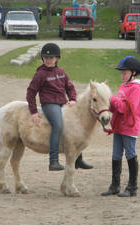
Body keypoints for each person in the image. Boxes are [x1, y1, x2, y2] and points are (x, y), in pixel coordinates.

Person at [26, 43, 93, 171]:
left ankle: (78, 159)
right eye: (46, 58)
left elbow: (70, 87)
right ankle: (53, 161)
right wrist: (33, 111)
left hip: (63, 103)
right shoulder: (40, 74)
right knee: (58, 125)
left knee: (74, 125)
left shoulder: (61, 72)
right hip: (50, 104)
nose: (48, 60)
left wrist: (73, 99)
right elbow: (30, 93)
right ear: (42, 58)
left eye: (51, 58)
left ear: (57, 58)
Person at [101, 56, 140, 197]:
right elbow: (117, 107)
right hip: (119, 126)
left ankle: (132, 187)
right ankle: (115, 185)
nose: (122, 75)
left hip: (129, 127)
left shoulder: (137, 89)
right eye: (121, 73)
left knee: (130, 154)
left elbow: (126, 109)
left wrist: (110, 97)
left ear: (133, 73)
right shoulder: (124, 86)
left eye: (124, 73)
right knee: (116, 155)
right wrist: (106, 109)